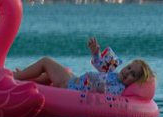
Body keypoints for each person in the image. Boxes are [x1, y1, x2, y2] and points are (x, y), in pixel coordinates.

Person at [13, 37, 154, 95]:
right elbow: (100, 66)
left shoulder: (118, 88)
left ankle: (15, 77)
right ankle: (25, 79)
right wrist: (96, 52)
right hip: (75, 80)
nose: (127, 73)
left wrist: (68, 87)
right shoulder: (114, 74)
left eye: (133, 75)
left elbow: (96, 92)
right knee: (60, 72)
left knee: (46, 62)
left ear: (135, 82)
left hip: (71, 85)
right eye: (129, 68)